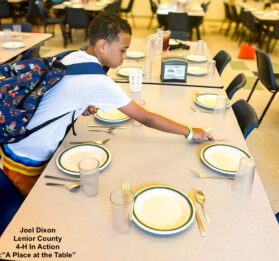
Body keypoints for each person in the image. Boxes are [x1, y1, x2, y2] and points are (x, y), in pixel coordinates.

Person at [0, 12, 213, 197]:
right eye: (123, 50)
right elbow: (147, 118)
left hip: (18, 141)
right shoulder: (96, 80)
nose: (125, 56)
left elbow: (58, 89)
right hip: (27, 158)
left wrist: (78, 106)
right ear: (102, 45)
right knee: (36, 208)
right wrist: (190, 131)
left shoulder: (74, 55)